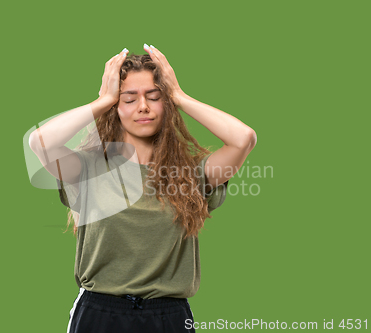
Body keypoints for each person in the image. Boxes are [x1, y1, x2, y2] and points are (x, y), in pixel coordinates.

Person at [28, 44, 257, 333]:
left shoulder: (192, 174)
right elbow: (40, 142)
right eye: (129, 99)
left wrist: (179, 95)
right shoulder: (87, 169)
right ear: (116, 108)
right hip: (100, 315)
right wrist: (103, 99)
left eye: (154, 96)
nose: (143, 106)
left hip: (168, 317)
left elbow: (243, 138)